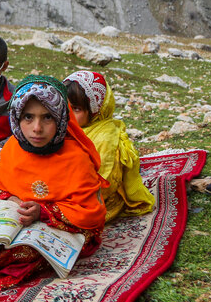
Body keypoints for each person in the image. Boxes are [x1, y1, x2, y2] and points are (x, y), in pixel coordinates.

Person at [0, 75, 107, 290]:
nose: (37, 128)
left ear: (61, 118)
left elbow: (90, 212)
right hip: (15, 214)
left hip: (58, 224)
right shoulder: (13, 146)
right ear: (16, 118)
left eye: (47, 117)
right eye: (28, 117)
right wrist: (9, 199)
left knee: (21, 252)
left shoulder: (77, 158)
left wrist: (43, 213)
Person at [64, 70, 155, 223]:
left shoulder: (106, 139)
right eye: (65, 106)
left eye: (76, 109)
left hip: (96, 199)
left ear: (95, 110)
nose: (68, 113)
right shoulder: (66, 127)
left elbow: (104, 184)